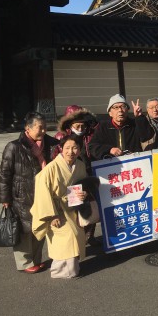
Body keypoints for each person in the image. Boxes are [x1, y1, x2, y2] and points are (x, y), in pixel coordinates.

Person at [0, 112, 58, 273]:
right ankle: (25, 263)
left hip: (42, 193)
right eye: (40, 128)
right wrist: (5, 198)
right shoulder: (14, 147)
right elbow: (5, 174)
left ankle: (36, 259)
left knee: (39, 226)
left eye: (46, 127)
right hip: (21, 194)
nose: (44, 131)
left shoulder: (51, 144)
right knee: (24, 229)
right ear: (28, 128)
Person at [31, 135, 89, 279]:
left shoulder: (80, 165)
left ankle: (72, 268)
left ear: (80, 149)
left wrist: (84, 193)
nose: (71, 152)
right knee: (65, 239)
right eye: (67, 148)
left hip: (73, 208)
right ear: (61, 149)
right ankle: (60, 271)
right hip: (55, 210)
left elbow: (84, 184)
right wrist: (51, 216)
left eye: (75, 148)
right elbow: (42, 192)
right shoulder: (51, 168)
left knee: (76, 236)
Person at [53, 105, 99, 245]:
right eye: (77, 126)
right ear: (69, 124)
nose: (80, 129)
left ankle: (88, 236)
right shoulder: (61, 137)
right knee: (74, 209)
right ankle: (77, 240)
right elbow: (56, 158)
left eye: (82, 126)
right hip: (71, 177)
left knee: (90, 206)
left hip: (88, 173)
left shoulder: (90, 134)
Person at [89, 94, 147, 160]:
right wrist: (109, 149)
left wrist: (139, 117)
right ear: (110, 113)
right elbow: (92, 147)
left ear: (127, 110)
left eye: (123, 106)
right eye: (116, 107)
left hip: (133, 164)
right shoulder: (103, 126)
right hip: (112, 167)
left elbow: (146, 136)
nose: (120, 110)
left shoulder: (134, 123)